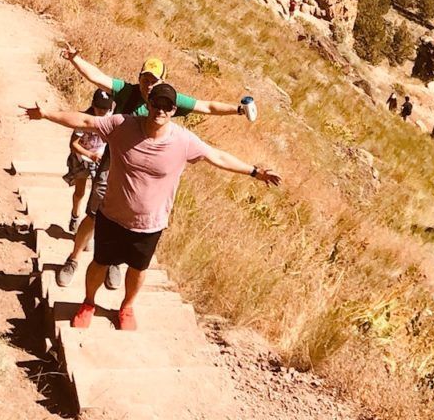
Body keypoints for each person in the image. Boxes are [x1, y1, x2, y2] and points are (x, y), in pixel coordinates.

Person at [28, 82, 280, 330]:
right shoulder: (121, 125)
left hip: (150, 224)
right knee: (99, 263)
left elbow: (217, 156)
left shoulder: (183, 141)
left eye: (167, 105)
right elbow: (85, 122)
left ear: (173, 110)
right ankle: (88, 303)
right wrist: (46, 114)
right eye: (157, 103)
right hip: (112, 215)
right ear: (148, 104)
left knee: (138, 269)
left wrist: (255, 172)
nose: (161, 110)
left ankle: (126, 307)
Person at [42, 45, 257, 291]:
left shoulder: (168, 100)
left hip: (145, 173)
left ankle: (114, 263)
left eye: (153, 80)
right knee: (93, 214)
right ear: (139, 78)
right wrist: (75, 60)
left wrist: (238, 110)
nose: (148, 84)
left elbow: (207, 107)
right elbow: (96, 77)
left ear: (162, 81)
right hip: (113, 163)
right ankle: (73, 260)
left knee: (129, 221)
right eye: (145, 78)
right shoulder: (126, 91)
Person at [64, 89, 114, 234]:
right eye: (99, 108)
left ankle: (90, 226)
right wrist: (90, 155)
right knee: (80, 192)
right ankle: (75, 215)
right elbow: (73, 144)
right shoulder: (84, 119)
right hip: (81, 158)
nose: (102, 112)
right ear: (93, 105)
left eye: (105, 109)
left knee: (98, 193)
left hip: (100, 158)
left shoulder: (110, 118)